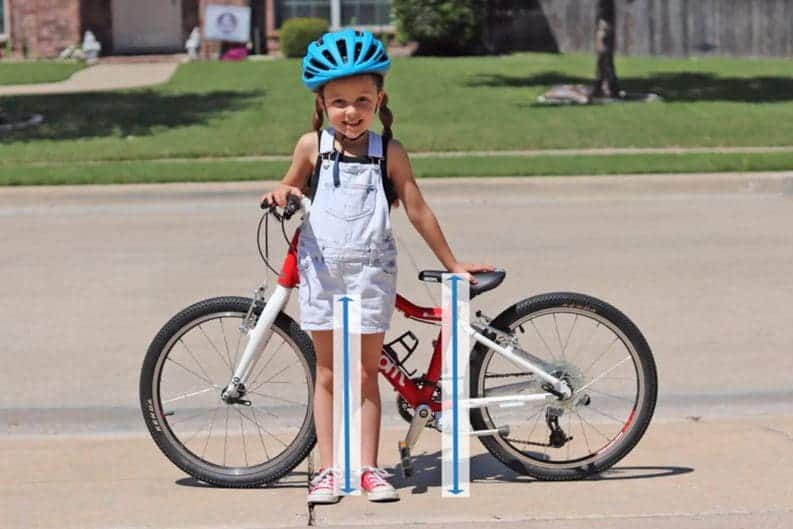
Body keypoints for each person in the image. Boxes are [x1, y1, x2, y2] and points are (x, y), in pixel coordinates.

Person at [260, 28, 494, 505]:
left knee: (367, 374)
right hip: (322, 273)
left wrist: (452, 263)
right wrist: (283, 191)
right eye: (339, 101)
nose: (351, 112)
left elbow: (417, 208)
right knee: (326, 372)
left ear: (379, 99)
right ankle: (328, 471)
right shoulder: (311, 147)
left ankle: (368, 469)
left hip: (370, 274)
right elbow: (290, 184)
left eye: (362, 100)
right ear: (322, 102)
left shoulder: (389, 151)